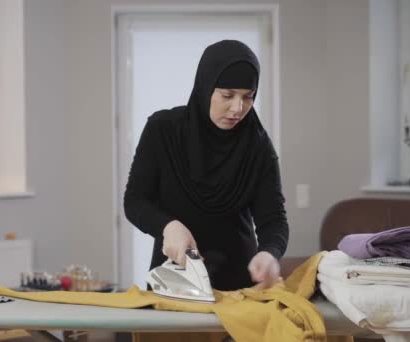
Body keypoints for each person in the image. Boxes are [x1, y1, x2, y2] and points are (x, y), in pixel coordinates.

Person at [124, 40, 289, 291]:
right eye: (227, 95)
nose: (238, 108)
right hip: (174, 279)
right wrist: (168, 226)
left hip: (239, 284)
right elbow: (135, 201)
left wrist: (269, 253)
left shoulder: (259, 147)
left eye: (248, 97)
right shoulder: (162, 130)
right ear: (205, 87)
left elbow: (274, 220)